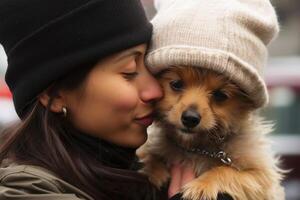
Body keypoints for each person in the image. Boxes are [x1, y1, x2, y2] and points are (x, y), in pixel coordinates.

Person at [0, 0, 233, 199]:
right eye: (130, 72)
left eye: (152, 67)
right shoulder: (25, 190)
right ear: (54, 94)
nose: (155, 90)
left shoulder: (145, 171)